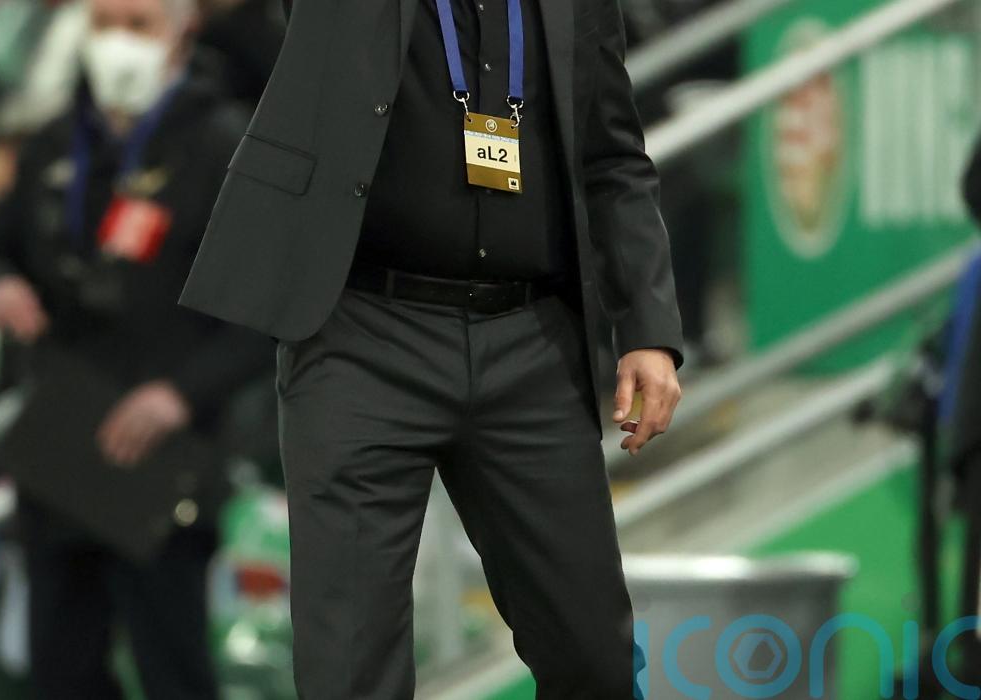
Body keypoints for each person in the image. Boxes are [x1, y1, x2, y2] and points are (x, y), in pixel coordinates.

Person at [181, 0, 685, 697]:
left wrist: (649, 330)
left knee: (594, 659)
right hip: (362, 338)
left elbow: (612, 158)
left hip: (531, 343)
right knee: (349, 672)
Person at [0, 0, 271, 695]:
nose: (118, 42)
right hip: (61, 438)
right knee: (60, 672)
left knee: (172, 671)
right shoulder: (55, 143)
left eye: (139, 24)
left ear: (184, 27)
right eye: (104, 24)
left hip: (164, 456)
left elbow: (268, 310)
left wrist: (182, 395)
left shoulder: (227, 147)